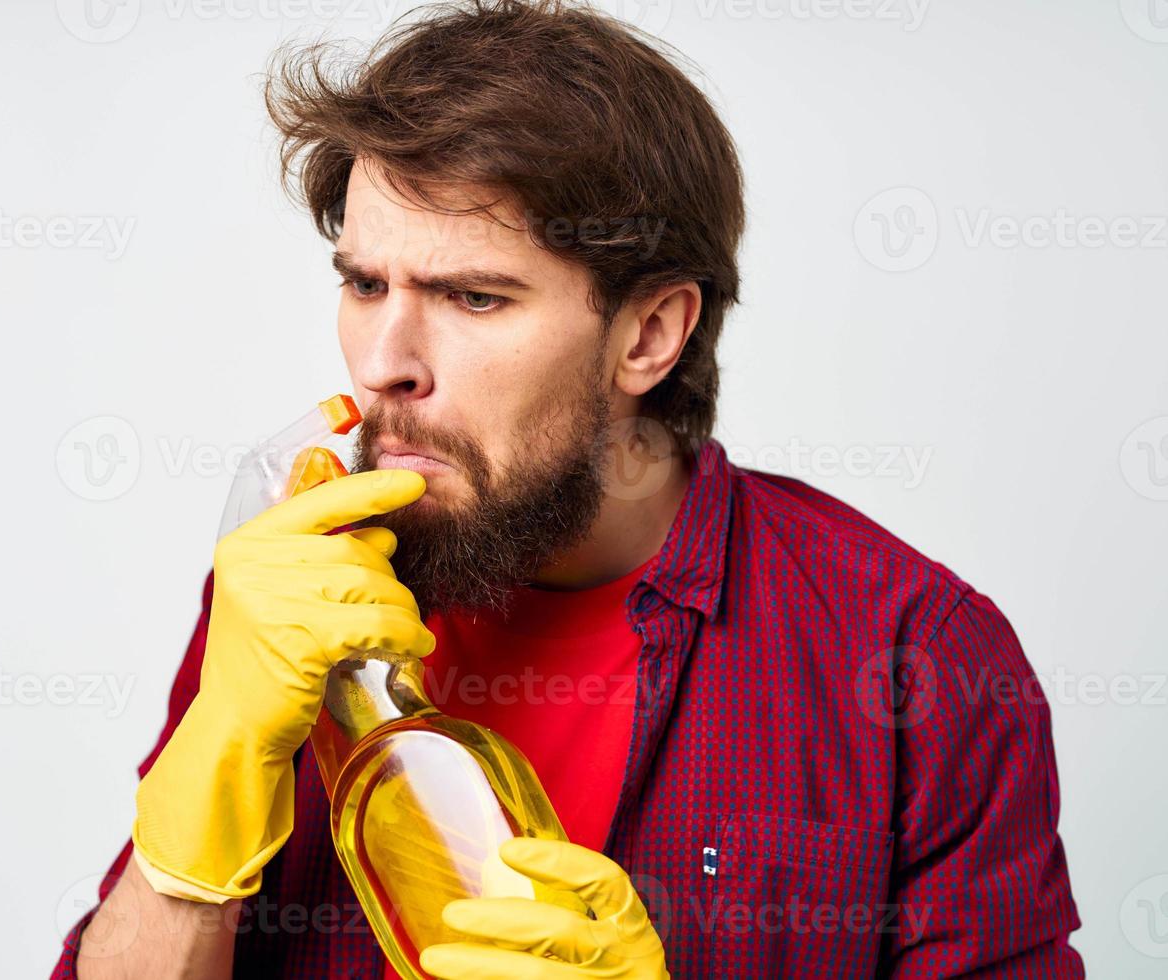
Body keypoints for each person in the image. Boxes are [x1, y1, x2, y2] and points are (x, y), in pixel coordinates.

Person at [55, 1, 1083, 976]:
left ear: (647, 334)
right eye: (366, 284)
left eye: (471, 296)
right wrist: (197, 821)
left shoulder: (915, 663)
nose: (383, 362)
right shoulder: (300, 593)